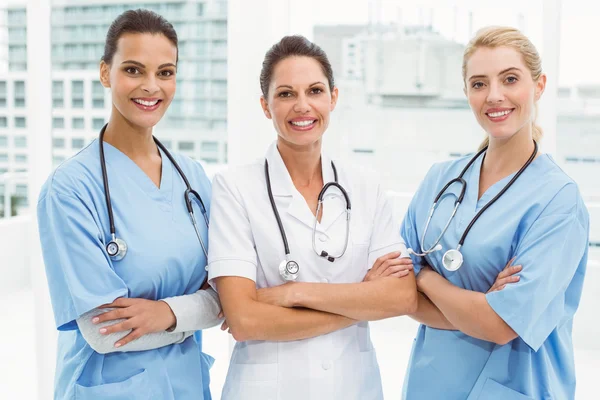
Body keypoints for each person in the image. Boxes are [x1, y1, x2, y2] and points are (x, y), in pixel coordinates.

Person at [207, 35, 417, 400]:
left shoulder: (365, 185)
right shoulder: (234, 187)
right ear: (265, 106)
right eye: (286, 94)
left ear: (333, 98)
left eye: (315, 91)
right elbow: (244, 320)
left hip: (353, 386)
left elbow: (400, 296)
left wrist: (292, 293)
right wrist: (361, 301)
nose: (302, 106)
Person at [37, 9, 221, 399]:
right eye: (133, 70)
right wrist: (195, 309)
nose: (151, 86)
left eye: (165, 72)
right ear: (106, 73)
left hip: (186, 386)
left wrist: (165, 314)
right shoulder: (70, 189)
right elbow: (104, 332)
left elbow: (230, 296)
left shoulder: (193, 179)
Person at [401, 26, 589, 399]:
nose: (494, 96)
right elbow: (393, 286)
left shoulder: (559, 201)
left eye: (510, 79)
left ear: (538, 86)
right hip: (431, 383)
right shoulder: (441, 180)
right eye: (479, 83)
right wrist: (479, 306)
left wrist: (424, 279)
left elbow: (501, 325)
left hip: (517, 387)